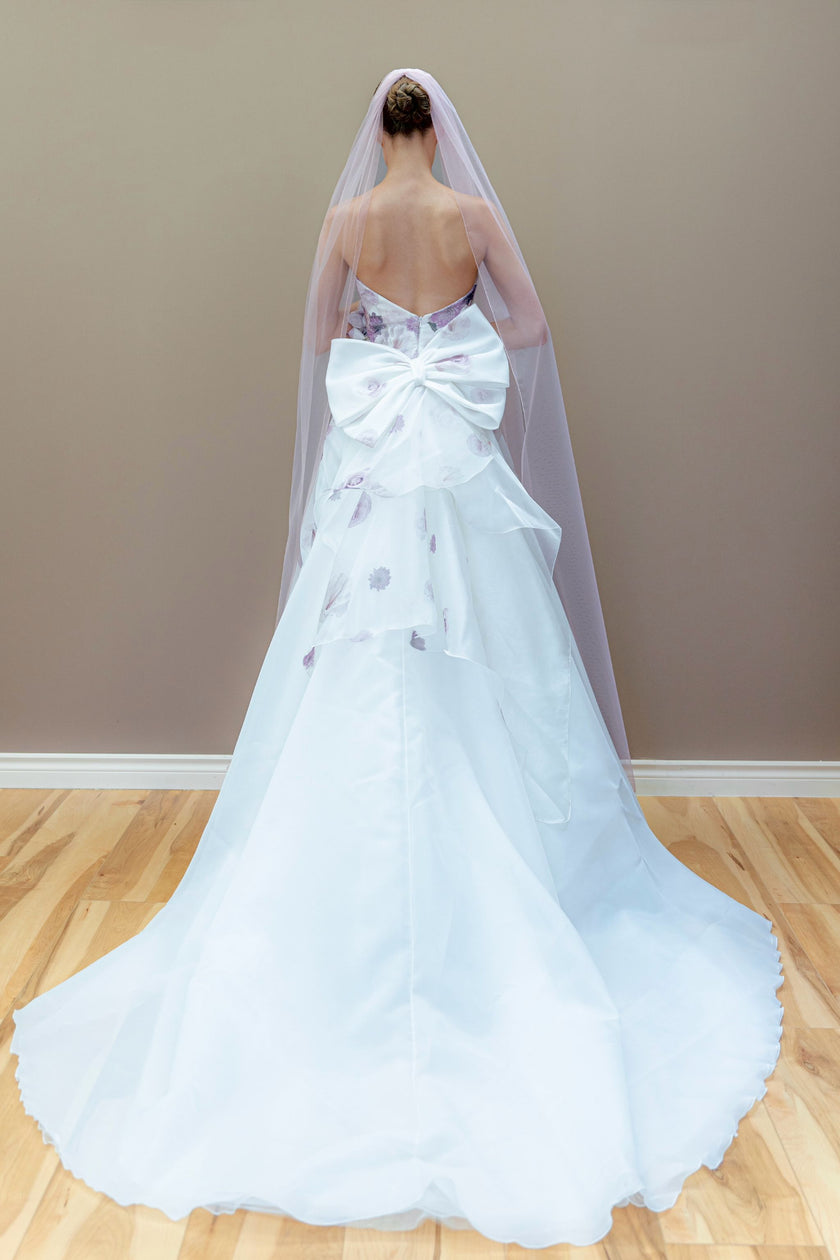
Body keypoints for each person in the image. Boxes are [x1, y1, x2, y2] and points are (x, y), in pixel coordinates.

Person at [11, 68, 784, 1250]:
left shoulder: (346, 223)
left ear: (379, 130)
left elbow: (320, 340)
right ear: (441, 133)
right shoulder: (470, 219)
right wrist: (448, 346)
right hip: (450, 450)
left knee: (352, 656)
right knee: (493, 648)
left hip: (378, 453)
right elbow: (527, 327)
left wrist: (388, 342)